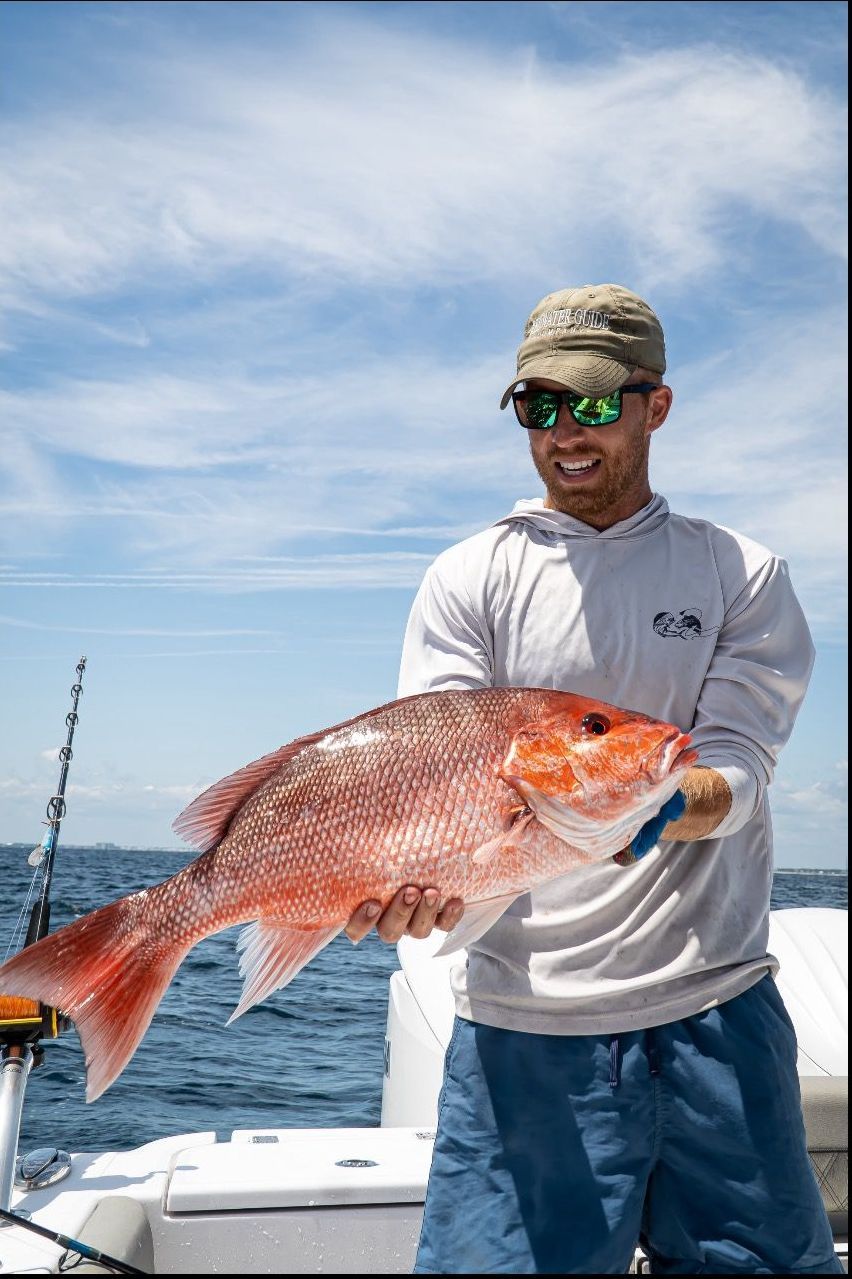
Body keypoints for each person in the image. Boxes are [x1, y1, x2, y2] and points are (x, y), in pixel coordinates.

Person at [346, 284, 842, 1275]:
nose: (568, 432)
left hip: (717, 1015)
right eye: (540, 407)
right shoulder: (467, 577)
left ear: (655, 405)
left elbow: (738, 766)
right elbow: (438, 774)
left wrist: (666, 804)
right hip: (525, 1029)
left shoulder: (740, 573)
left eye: (597, 406)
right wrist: (406, 885)